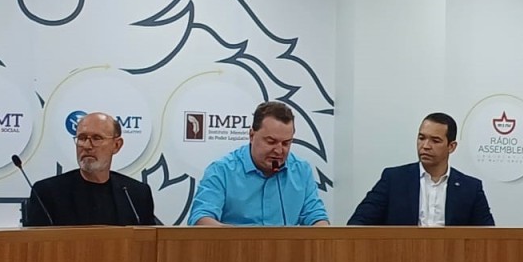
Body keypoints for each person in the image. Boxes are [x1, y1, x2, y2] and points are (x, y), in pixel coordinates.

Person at [188, 101, 329, 226]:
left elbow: (316, 217)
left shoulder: (302, 171)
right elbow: (201, 218)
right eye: (271, 142)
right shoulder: (221, 171)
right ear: (251, 135)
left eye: (286, 143)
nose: (279, 150)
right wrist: (237, 238)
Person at [348, 112, 495, 226]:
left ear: (451, 146)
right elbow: (358, 224)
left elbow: (489, 236)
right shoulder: (394, 179)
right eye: (421, 138)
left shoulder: (471, 188)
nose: (425, 146)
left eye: (435, 140)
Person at [25, 112, 156, 226]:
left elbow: (149, 242)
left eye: (96, 138)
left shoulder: (136, 194)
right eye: (82, 138)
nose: (87, 146)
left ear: (116, 145)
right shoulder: (48, 193)